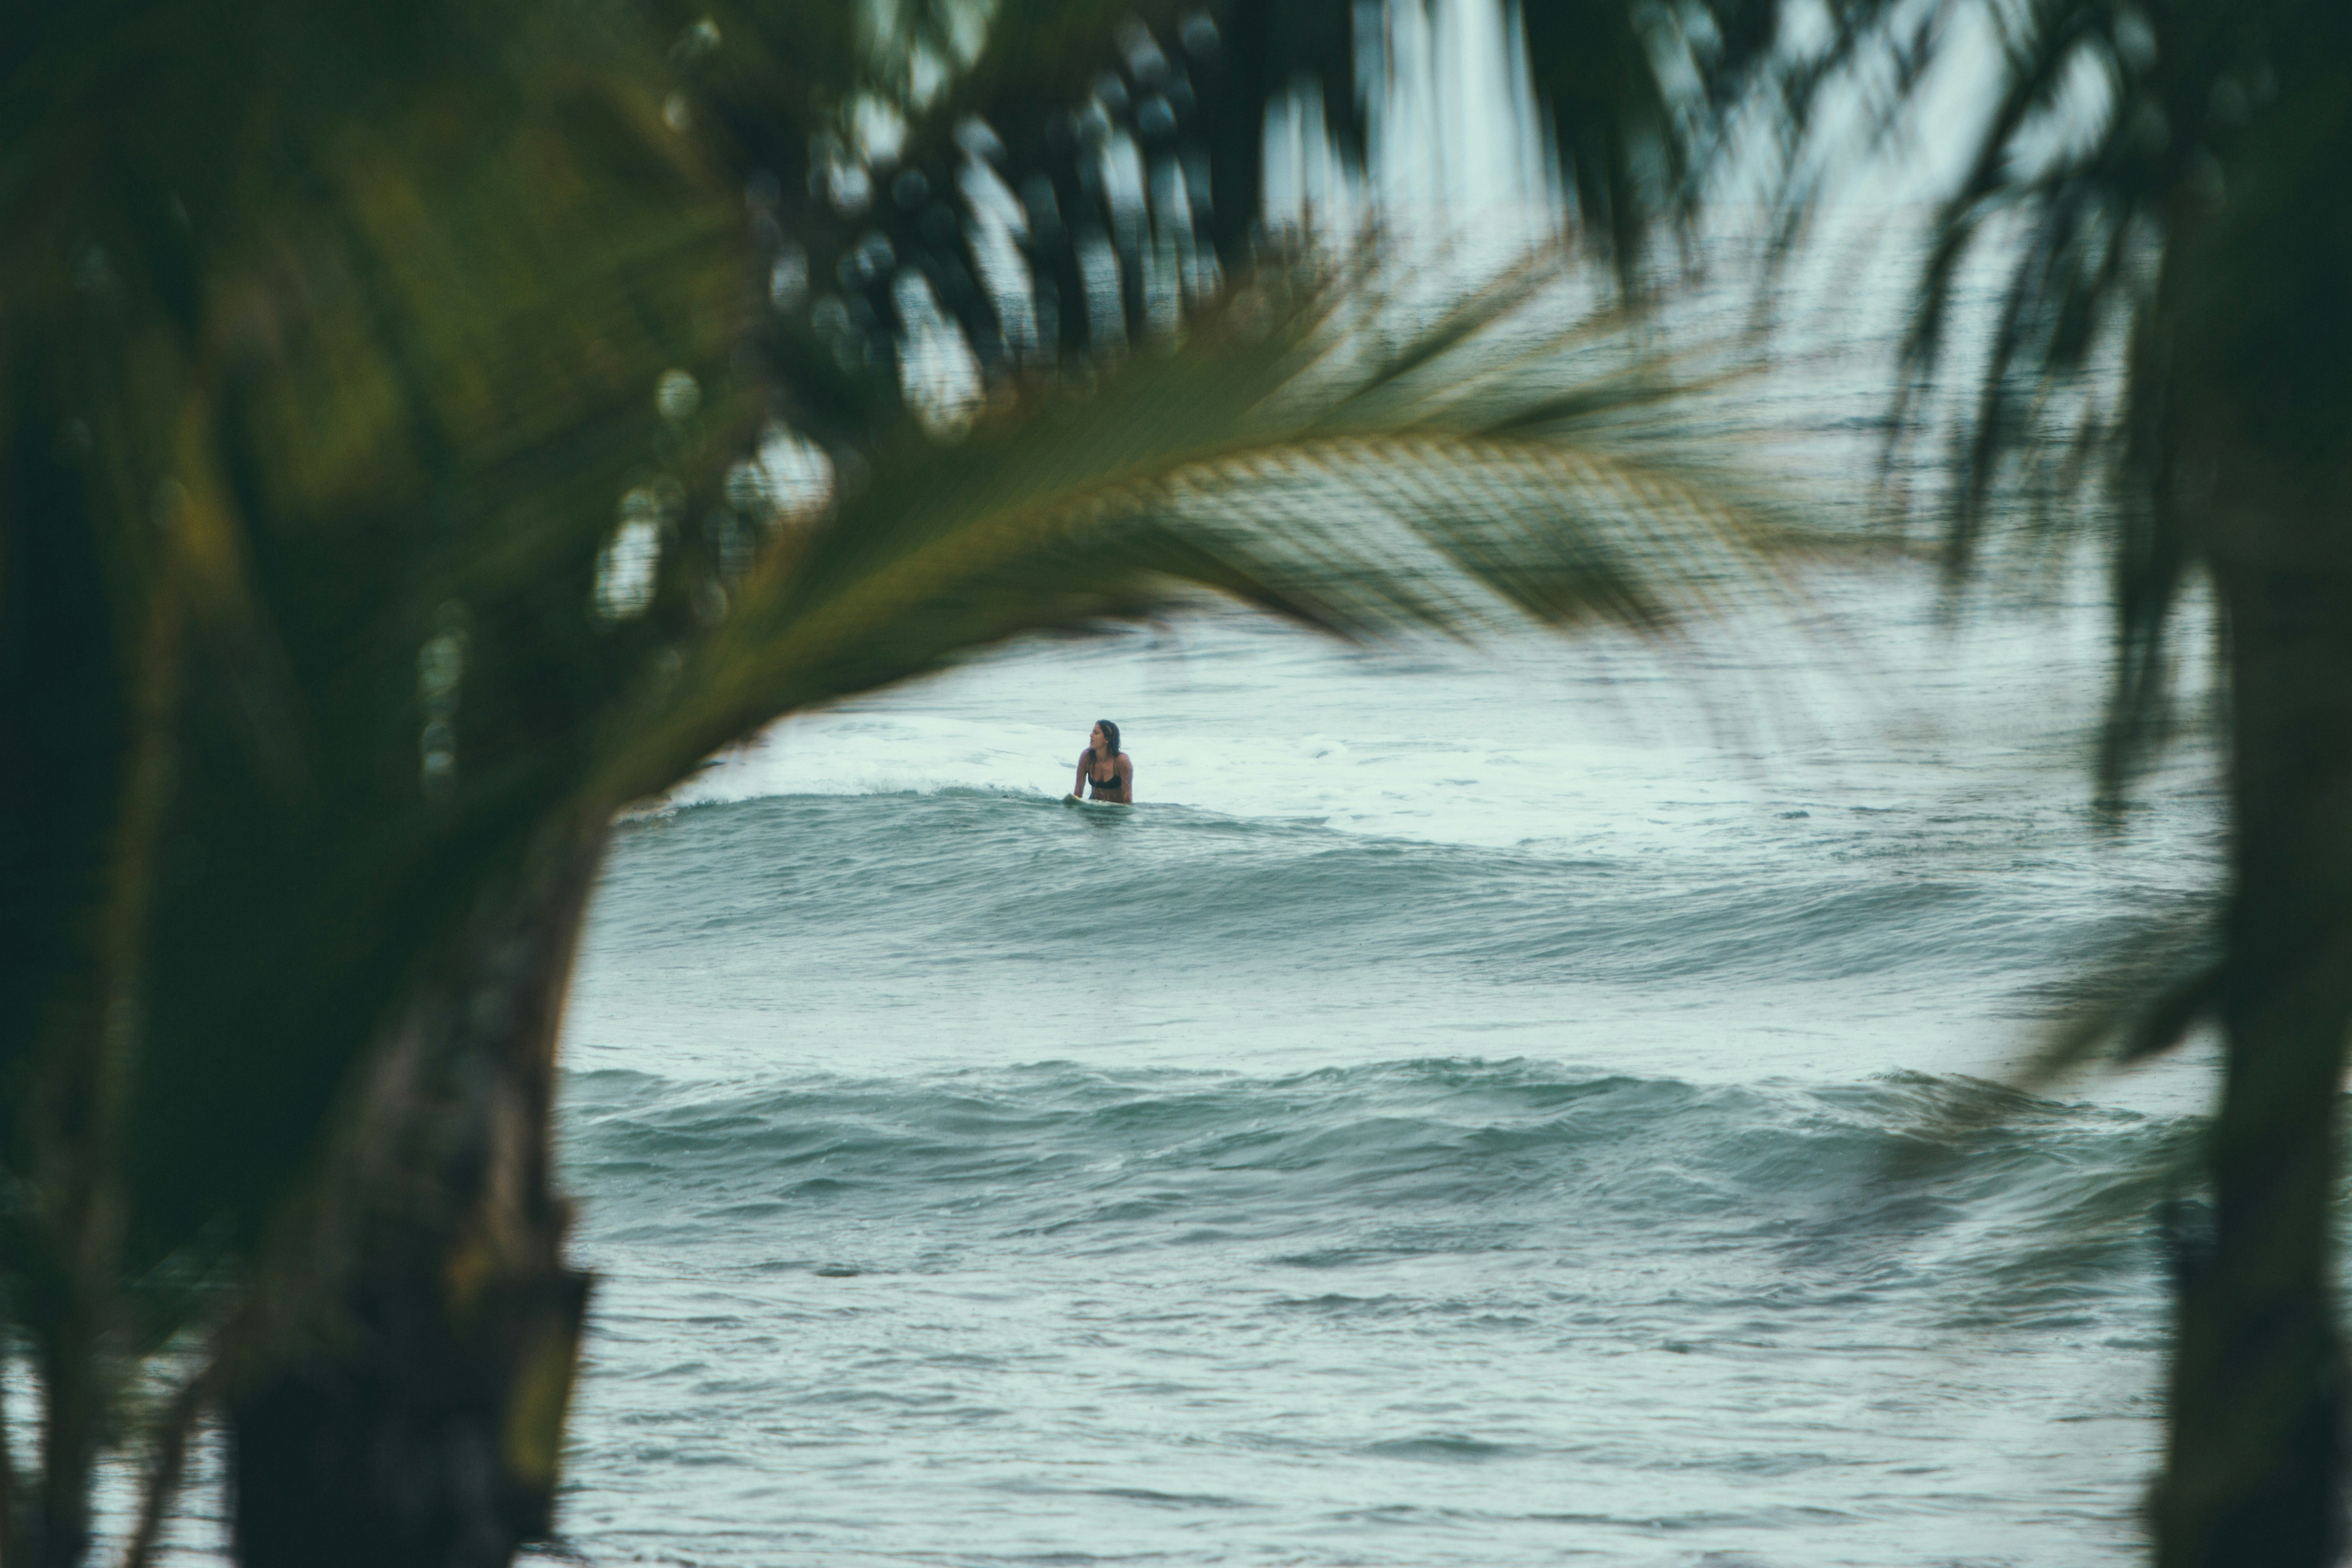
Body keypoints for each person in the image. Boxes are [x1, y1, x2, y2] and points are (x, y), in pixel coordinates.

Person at [1071, 720, 1133, 803]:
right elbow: (1078, 793)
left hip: (1116, 812)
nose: (1091, 735)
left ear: (1107, 739)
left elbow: (1128, 798)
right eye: (1092, 732)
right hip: (1094, 809)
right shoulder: (1087, 757)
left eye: (1096, 733)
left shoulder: (1121, 761)